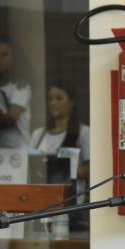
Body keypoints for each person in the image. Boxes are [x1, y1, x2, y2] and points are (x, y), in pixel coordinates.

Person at [30, 80, 90, 219]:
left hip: (69, 206)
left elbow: (93, 169)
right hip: (39, 205)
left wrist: (71, 169)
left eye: (59, 98)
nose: (53, 103)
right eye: (50, 99)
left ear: (71, 102)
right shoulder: (37, 135)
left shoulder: (83, 133)